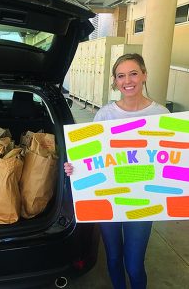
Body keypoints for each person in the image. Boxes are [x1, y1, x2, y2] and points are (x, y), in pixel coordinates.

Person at [64, 53, 170, 289]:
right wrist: (76, 167)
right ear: (115, 81)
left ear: (144, 75)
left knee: (133, 265)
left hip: (143, 201)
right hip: (109, 199)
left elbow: (171, 160)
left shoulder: (161, 114)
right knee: (112, 258)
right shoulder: (105, 114)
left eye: (133, 73)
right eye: (121, 76)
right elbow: (93, 157)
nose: (127, 80)